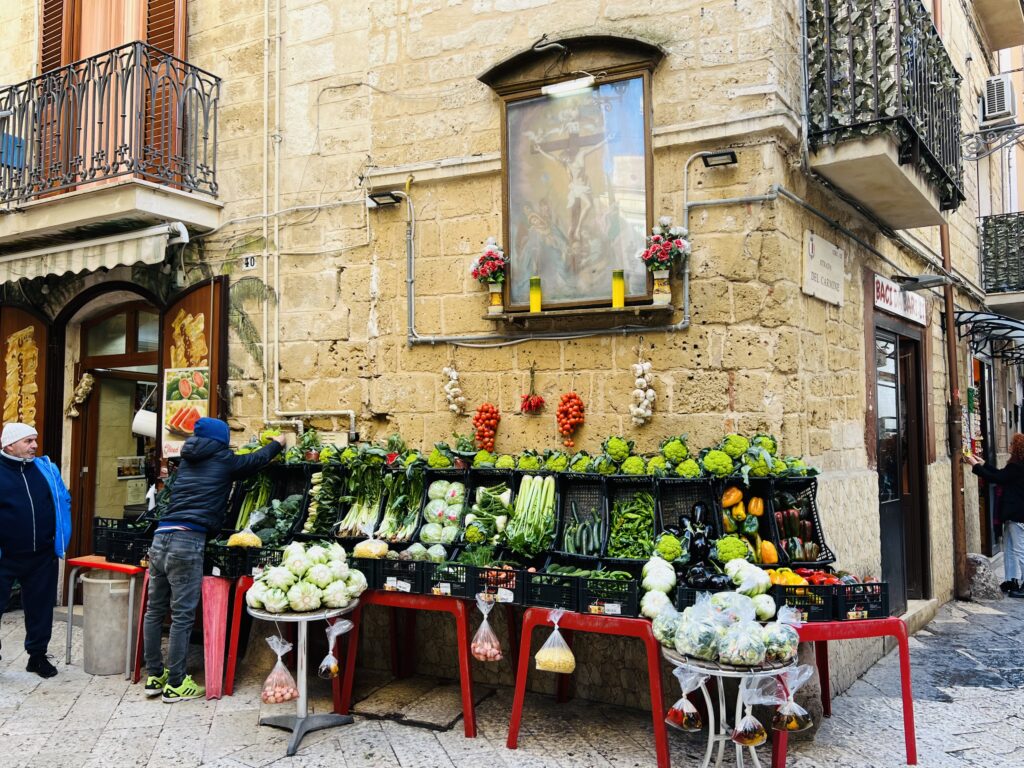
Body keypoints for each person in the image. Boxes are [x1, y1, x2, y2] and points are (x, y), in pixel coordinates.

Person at [143, 418, 284, 702]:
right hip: (188, 540)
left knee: (155, 611)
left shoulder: (185, 462)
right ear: (221, 439)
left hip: (161, 537)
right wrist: (277, 444)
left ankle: (154, 675)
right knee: (182, 615)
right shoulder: (223, 459)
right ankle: (176, 682)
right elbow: (254, 461)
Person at [0, 422, 72, 678]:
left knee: (41, 609)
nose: (34, 446)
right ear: (10, 445)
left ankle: (37, 657)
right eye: (28, 441)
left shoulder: (46, 469)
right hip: (5, 557)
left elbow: (62, 499)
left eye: (35, 440)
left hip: (42, 554)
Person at [964, 433, 1024, 597]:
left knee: (1019, 551)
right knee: (1010, 550)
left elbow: (995, 478)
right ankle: (1011, 580)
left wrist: (975, 466)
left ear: (1017, 448)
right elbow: (1000, 474)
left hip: (1017, 515)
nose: (1009, 446)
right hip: (1014, 515)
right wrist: (983, 464)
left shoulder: (1016, 467)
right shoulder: (1016, 466)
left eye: (1012, 443)